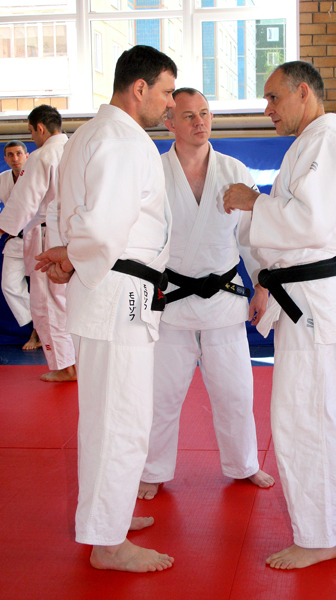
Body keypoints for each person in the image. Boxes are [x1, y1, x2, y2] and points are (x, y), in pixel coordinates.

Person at [35, 45, 176, 573]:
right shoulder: (123, 140)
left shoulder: (90, 134)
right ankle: (108, 543)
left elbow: (74, 217)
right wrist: (73, 258)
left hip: (110, 291)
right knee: (122, 418)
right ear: (139, 88)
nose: (169, 104)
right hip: (121, 296)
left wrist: (70, 258)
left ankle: (106, 518)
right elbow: (101, 227)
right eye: (165, 92)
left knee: (107, 416)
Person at [223, 61, 336, 570]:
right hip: (308, 298)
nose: (268, 109)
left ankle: (320, 535)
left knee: (306, 415)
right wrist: (265, 278)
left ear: (303, 92)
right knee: (331, 408)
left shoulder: (325, 145)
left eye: (273, 97)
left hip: (312, 303)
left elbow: (310, 223)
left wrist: (253, 201)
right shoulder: (310, 146)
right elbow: (297, 232)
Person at [138, 88, 274, 501]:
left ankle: (244, 464)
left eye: (205, 113)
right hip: (171, 300)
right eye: (189, 115)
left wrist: (262, 284)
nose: (200, 122)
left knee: (236, 392)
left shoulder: (233, 170)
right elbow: (141, 237)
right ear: (169, 123)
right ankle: (153, 469)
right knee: (161, 395)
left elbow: (252, 236)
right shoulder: (153, 171)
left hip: (224, 301)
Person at [0, 107, 76, 381]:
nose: (32, 138)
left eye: (31, 132)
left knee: (47, 302)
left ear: (40, 128)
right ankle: (77, 362)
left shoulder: (43, 155)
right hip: (75, 236)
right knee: (69, 301)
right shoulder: (77, 149)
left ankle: (66, 367)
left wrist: (2, 228)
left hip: (48, 237)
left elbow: (24, 202)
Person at [0, 141, 41, 350]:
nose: (15, 158)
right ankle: (37, 325)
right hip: (15, 239)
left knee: (42, 290)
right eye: (10, 155)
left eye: (18, 153)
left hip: (39, 237)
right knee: (9, 285)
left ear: (27, 156)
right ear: (5, 159)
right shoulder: (2, 179)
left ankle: (39, 333)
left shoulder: (37, 176)